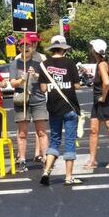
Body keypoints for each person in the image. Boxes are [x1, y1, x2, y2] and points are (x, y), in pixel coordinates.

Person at [38, 36, 82, 186]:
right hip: (70, 107)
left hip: (53, 108)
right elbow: (77, 86)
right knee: (70, 141)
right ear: (64, 49)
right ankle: (68, 177)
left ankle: (46, 171)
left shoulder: (44, 65)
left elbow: (43, 88)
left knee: (55, 140)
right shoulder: (70, 63)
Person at [9, 35, 48, 172]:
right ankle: (22, 160)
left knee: (41, 131)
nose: (25, 48)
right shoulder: (15, 63)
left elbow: (46, 81)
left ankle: (45, 159)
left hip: (38, 99)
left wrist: (37, 76)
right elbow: (12, 83)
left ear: (32, 48)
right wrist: (21, 80)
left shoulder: (39, 62)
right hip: (22, 100)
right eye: (22, 46)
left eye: (28, 46)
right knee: (22, 133)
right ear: (19, 48)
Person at [84, 39, 109, 170]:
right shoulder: (104, 62)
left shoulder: (102, 64)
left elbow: (106, 83)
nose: (90, 50)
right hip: (98, 102)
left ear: (94, 50)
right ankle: (92, 160)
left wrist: (103, 97)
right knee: (93, 130)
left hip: (104, 102)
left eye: (91, 48)